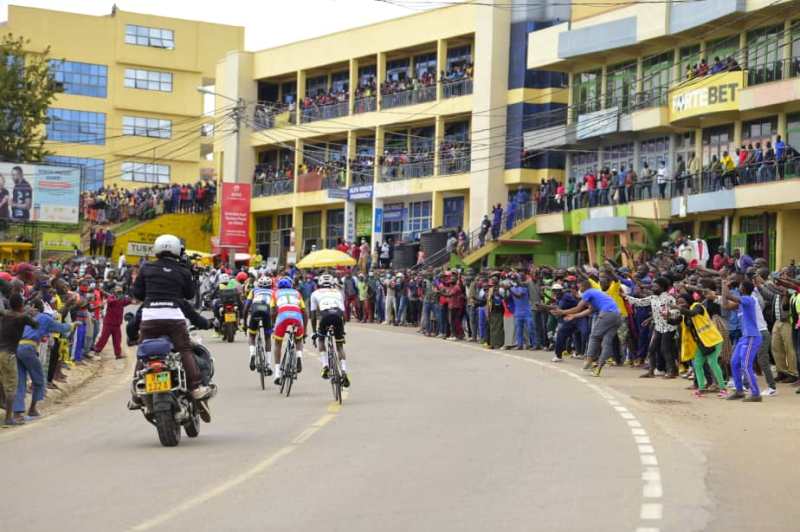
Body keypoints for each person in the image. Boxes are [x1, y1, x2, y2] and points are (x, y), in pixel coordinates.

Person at [131, 234, 213, 419]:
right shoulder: (182, 271)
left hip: (150, 317)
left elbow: (137, 293)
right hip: (173, 317)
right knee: (184, 350)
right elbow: (189, 294)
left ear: (157, 249)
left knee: (143, 353)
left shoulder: (146, 268)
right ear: (177, 250)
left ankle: (136, 392)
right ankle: (195, 388)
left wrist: (154, 294)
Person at [13, 299, 73, 424]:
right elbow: (61, 328)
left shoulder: (24, 317)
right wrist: (73, 325)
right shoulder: (44, 318)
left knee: (21, 380)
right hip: (29, 348)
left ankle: (17, 413)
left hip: (18, 348)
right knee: (39, 379)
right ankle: (32, 409)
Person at [553, 277, 621, 377]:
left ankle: (589, 361)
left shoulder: (588, 292)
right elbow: (590, 310)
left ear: (584, 286)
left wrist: (562, 312)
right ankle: (598, 368)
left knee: (594, 337)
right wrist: (573, 316)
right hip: (617, 316)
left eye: (579, 286)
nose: (578, 289)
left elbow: (578, 308)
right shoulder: (596, 293)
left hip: (607, 314)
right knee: (607, 341)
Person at [0, 293, 38, 426]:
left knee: (1, 382)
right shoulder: (22, 317)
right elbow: (36, 325)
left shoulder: (5, 314)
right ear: (21, 305)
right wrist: (30, 312)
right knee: (11, 386)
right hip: (9, 354)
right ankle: (8, 418)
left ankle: (4, 408)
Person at [722, 279, 763, 402]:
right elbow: (725, 305)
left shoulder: (748, 299)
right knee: (734, 362)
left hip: (752, 336)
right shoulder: (742, 303)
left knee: (745, 365)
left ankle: (756, 394)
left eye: (740, 285)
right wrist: (723, 287)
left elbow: (729, 296)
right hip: (745, 337)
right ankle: (739, 391)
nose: (739, 287)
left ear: (744, 289)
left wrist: (724, 284)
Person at [309, 273, 350, 387]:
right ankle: (344, 371)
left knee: (321, 340)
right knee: (340, 346)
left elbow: (312, 315)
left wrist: (314, 333)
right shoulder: (337, 292)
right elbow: (344, 314)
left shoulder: (315, 293)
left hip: (325, 315)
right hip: (338, 315)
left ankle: (325, 366)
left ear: (319, 284)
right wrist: (342, 331)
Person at [270, 276, 307, 386]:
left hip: (282, 316)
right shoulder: (297, 293)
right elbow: (304, 312)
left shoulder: (275, 293)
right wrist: (304, 331)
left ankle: (277, 373)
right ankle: (299, 356)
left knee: (278, 343)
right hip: (297, 316)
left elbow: (272, 312)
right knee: (298, 340)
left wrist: (273, 325)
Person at [244, 275, 274, 376]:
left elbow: (246, 306)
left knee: (252, 335)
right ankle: (269, 365)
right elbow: (275, 309)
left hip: (255, 309)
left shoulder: (253, 291)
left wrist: (244, 323)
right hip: (267, 311)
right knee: (267, 337)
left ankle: (252, 354)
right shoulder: (273, 292)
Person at [92, 285, 130, 360]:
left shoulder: (122, 299)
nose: (120, 292)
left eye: (121, 291)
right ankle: (97, 351)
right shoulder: (111, 297)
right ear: (114, 291)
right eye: (118, 291)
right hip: (108, 323)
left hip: (117, 324)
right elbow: (110, 301)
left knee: (117, 339)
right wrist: (118, 298)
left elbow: (130, 301)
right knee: (103, 338)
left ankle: (118, 354)